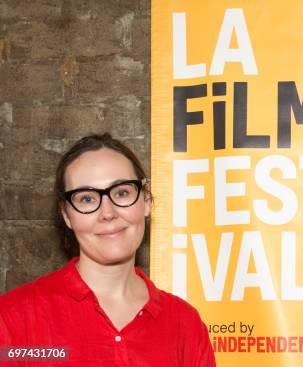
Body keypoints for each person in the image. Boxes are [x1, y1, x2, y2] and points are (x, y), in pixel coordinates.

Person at [0, 134, 216, 366]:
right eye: (87, 199)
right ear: (66, 215)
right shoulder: (15, 318)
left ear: (146, 200)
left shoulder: (185, 324)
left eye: (122, 192)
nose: (108, 212)